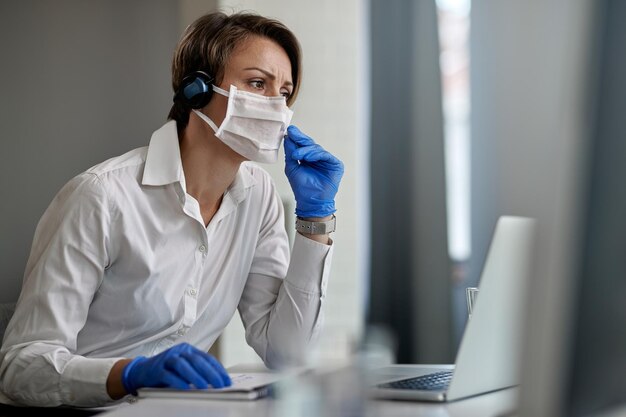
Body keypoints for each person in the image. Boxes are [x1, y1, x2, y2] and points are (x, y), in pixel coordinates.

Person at [0, 11, 343, 408]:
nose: (277, 107)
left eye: (283, 92)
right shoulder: (101, 196)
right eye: (257, 83)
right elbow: (19, 365)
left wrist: (315, 218)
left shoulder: (259, 197)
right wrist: (127, 375)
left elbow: (288, 353)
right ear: (196, 90)